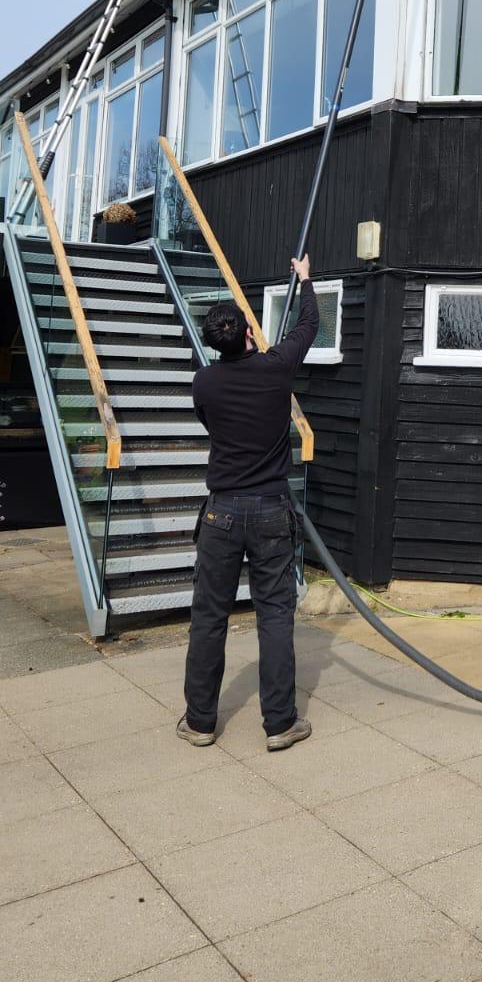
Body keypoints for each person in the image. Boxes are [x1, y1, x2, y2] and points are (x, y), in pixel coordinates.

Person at [177, 256, 319, 752]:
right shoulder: (277, 369)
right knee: (275, 614)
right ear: (247, 334)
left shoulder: (204, 382)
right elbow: (309, 325)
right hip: (269, 509)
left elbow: (210, 425)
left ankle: (200, 722)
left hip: (221, 512)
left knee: (209, 615)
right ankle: (280, 723)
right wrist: (304, 281)